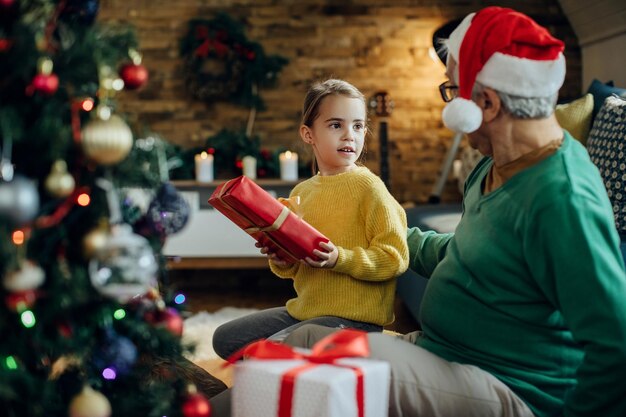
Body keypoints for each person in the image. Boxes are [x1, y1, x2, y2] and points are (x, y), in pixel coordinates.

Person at [209, 7, 626, 417]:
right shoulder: (493, 165)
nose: (450, 107)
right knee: (302, 339)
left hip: (507, 381)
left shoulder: (562, 198)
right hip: (439, 349)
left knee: (313, 367)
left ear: (488, 102)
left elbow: (616, 342)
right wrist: (368, 235)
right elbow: (467, 252)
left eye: (452, 89)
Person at [211, 79, 409, 360]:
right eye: (335, 125)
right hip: (305, 312)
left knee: (271, 351)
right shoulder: (301, 193)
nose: (349, 135)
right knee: (226, 339)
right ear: (308, 134)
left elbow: (395, 259)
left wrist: (339, 258)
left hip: (354, 322)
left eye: (358, 126)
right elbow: (297, 267)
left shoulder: (370, 188)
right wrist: (281, 258)